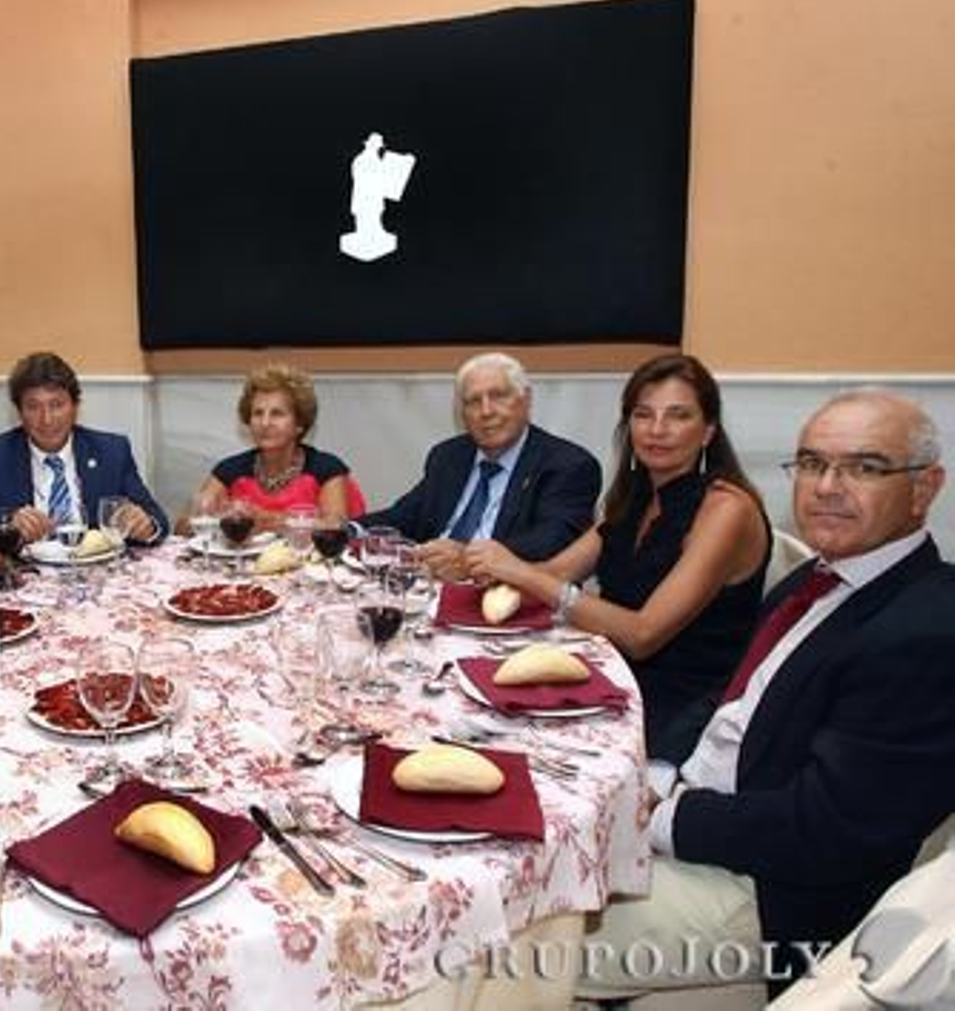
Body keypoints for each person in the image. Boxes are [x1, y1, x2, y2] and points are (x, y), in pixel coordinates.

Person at [577, 388, 955, 999]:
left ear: (925, 487)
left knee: (508, 930)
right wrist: (654, 772)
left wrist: (659, 816)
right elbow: (728, 700)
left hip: (769, 891)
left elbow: (824, 831)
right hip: (710, 821)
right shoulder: (823, 574)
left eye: (864, 467)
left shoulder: (928, 632)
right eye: (811, 463)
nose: (827, 486)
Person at [464, 354, 771, 763]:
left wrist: (521, 573)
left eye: (678, 416)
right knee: (476, 717)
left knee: (516, 750)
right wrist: (485, 565)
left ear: (708, 431)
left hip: (680, 707)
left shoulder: (726, 509)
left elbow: (643, 635)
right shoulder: (633, 498)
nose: (657, 430)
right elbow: (557, 571)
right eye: (644, 415)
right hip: (611, 677)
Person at [359, 352, 600, 581]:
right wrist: (346, 529)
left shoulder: (569, 465)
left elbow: (551, 541)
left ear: (526, 401)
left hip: (509, 597)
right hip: (431, 588)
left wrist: (468, 558)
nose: (486, 411)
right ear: (461, 414)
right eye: (473, 401)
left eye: (498, 396)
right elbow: (404, 516)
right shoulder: (448, 456)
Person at [0, 352, 168, 545]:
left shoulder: (112, 451)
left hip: (98, 573)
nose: (47, 419)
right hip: (27, 575)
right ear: (19, 411)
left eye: (57, 404)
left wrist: (145, 524)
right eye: (33, 407)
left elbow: (157, 520)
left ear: (75, 407)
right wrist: (8, 524)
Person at [186, 363, 365, 531]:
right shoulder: (229, 470)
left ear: (299, 424)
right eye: (257, 413)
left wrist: (270, 520)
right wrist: (223, 519)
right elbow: (185, 525)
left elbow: (335, 528)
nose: (265, 423)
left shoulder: (326, 469)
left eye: (277, 414)